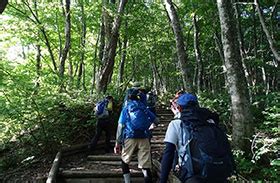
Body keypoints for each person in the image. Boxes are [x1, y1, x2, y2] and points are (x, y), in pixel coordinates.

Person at [160, 93, 235, 183]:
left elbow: (168, 153)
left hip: (193, 176)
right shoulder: (209, 120)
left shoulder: (176, 124)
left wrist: (163, 180)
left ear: (179, 108)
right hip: (218, 173)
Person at [114, 89, 158, 183]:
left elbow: (120, 126)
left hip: (129, 137)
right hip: (144, 137)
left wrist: (117, 142)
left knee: (125, 161)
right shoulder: (143, 107)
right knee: (145, 165)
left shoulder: (126, 108)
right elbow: (156, 120)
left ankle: (127, 181)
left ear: (128, 97)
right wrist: (150, 126)